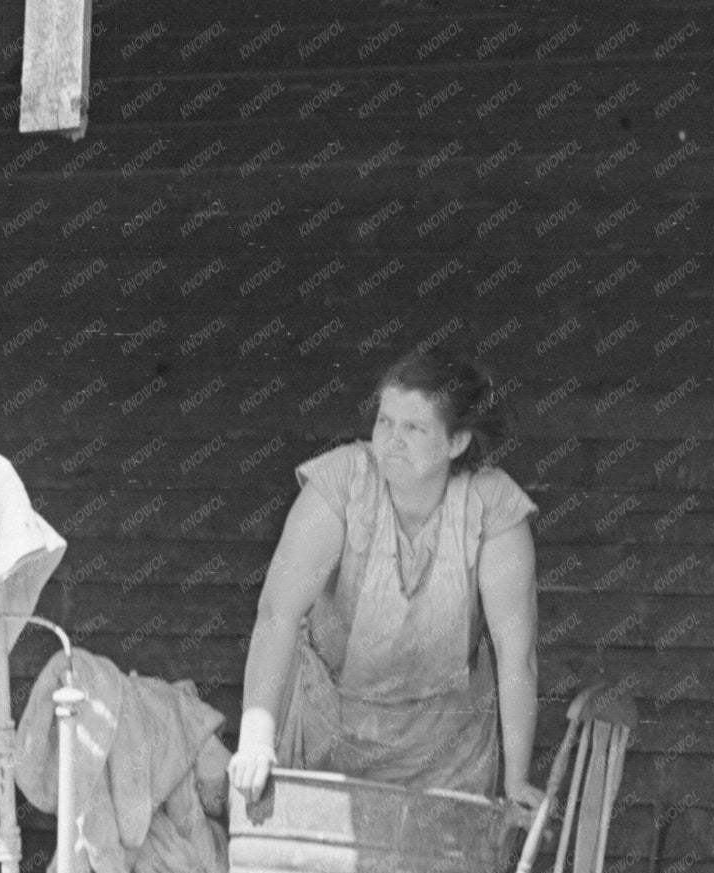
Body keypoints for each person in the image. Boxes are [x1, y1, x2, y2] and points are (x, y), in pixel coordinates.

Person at [227, 348, 544, 822]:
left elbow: (516, 651)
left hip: (447, 750)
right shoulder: (342, 482)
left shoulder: (493, 509)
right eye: (384, 421)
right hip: (330, 728)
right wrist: (256, 737)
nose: (390, 441)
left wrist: (517, 779)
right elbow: (279, 613)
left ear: (456, 442)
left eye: (413, 429)